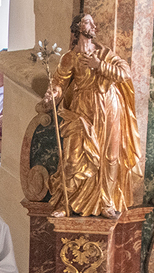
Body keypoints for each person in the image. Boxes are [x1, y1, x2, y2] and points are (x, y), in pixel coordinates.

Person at [45, 13, 141, 219]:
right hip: (82, 110)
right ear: (78, 27)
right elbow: (59, 82)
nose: (94, 27)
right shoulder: (69, 57)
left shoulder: (105, 54)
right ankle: (66, 203)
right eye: (89, 23)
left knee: (110, 157)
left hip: (109, 107)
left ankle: (106, 202)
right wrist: (53, 93)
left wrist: (100, 66)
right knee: (72, 159)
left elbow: (125, 74)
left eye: (93, 23)